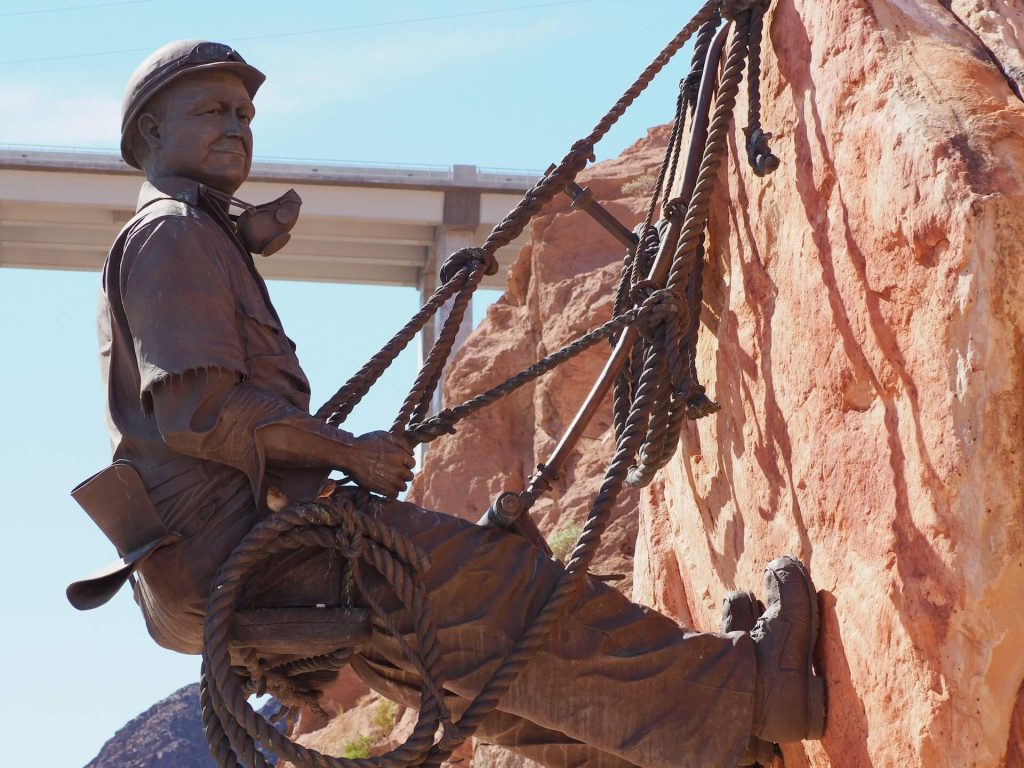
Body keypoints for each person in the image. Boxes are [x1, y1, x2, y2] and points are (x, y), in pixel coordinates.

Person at [70, 40, 825, 768]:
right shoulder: (172, 234)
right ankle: (755, 692)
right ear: (152, 132)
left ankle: (709, 746)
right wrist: (348, 453)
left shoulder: (192, 233)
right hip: (251, 549)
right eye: (213, 111)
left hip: (208, 569)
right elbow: (199, 412)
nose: (236, 127)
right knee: (508, 591)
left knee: (467, 677)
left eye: (244, 114)